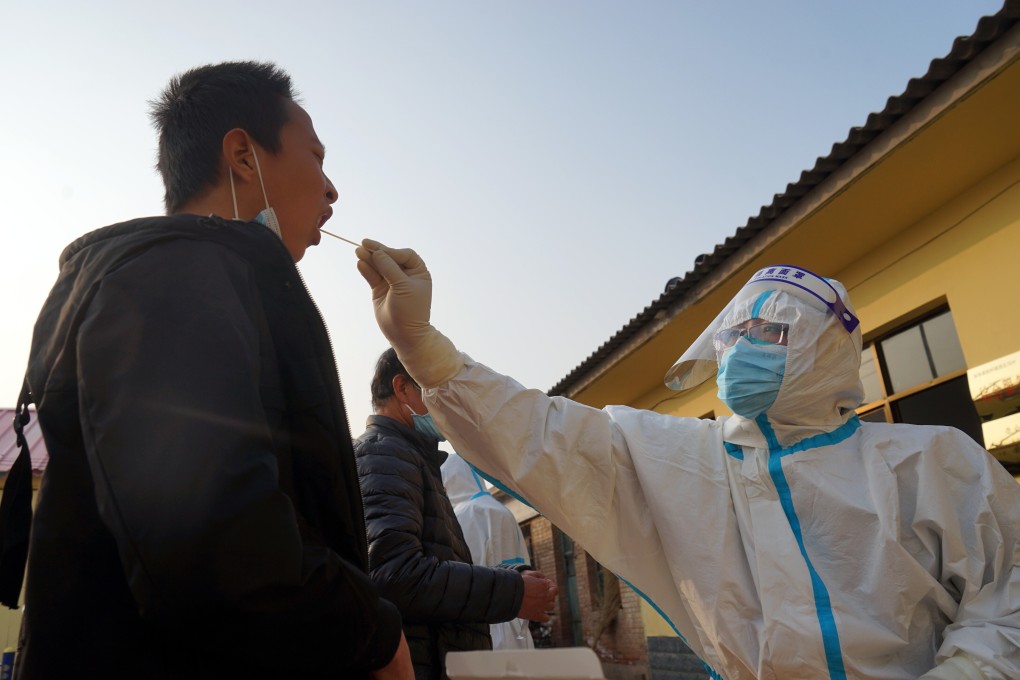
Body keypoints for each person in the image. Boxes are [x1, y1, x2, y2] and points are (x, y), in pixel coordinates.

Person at [355, 246, 1020, 680]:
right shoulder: (692, 461)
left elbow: (1005, 598)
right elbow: (551, 436)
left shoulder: (929, 463)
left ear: (823, 353)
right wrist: (427, 349)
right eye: (737, 337)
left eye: (770, 336)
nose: (742, 353)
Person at [1, 62, 412, 679]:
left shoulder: (204, 279)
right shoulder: (172, 279)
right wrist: (373, 636)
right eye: (316, 156)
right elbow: (210, 531)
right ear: (244, 155)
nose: (332, 190)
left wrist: (418, 339)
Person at [355, 348, 557, 680]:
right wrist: (511, 591)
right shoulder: (384, 454)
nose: (450, 405)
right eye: (439, 392)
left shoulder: (411, 459)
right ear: (403, 389)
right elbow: (395, 574)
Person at [441, 452, 536, 651]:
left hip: (486, 620)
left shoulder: (465, 513)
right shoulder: (502, 510)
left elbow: (463, 571)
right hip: (516, 620)